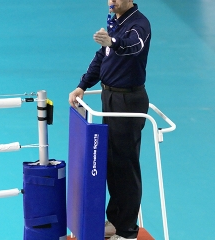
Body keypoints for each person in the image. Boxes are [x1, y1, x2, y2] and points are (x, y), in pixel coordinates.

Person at [68, 1, 151, 239]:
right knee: (112, 164)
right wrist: (82, 85)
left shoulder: (139, 24)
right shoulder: (115, 21)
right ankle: (115, 220)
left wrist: (112, 42)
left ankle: (126, 232)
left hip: (128, 102)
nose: (111, 1)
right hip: (110, 97)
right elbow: (101, 57)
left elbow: (133, 46)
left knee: (125, 167)